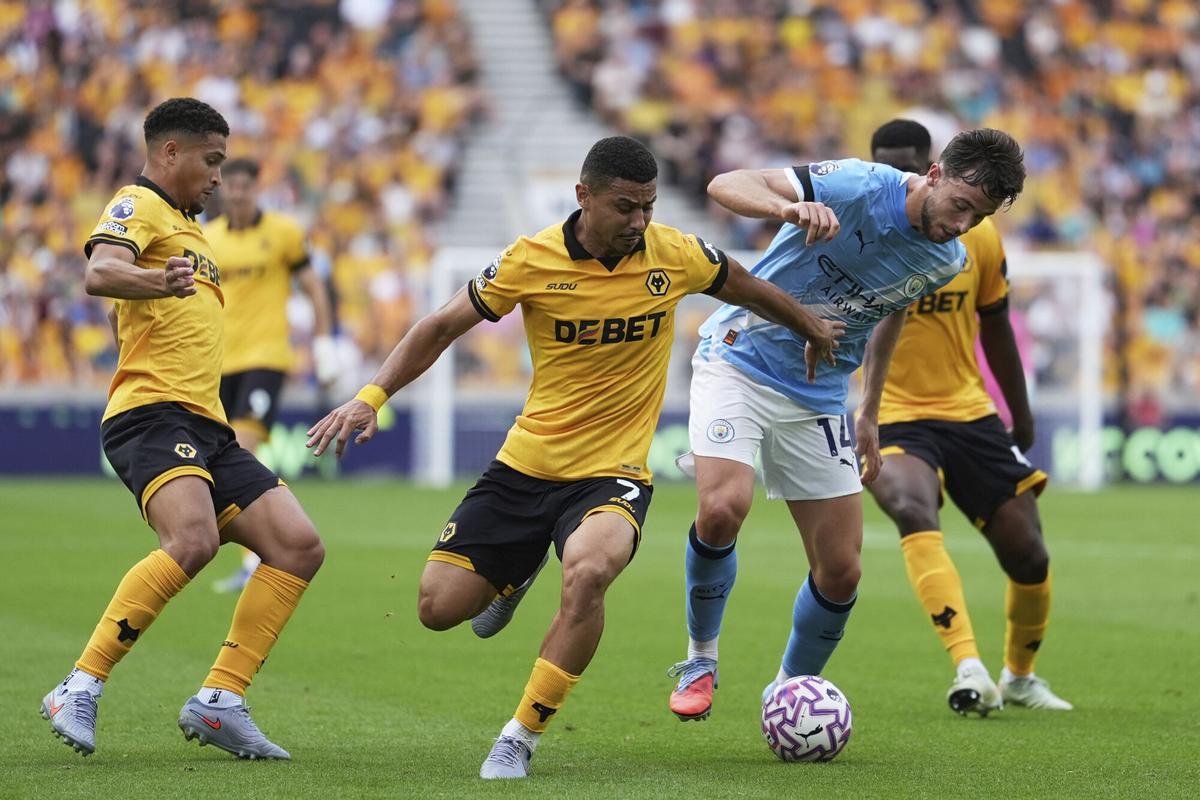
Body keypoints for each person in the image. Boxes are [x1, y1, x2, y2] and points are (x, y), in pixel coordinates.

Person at [306, 136, 844, 779]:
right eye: (625, 207)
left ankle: (521, 733)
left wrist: (808, 325)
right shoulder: (529, 260)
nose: (640, 221)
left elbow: (748, 288)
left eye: (647, 206)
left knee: (589, 572)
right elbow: (441, 326)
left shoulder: (675, 254)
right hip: (524, 466)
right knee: (437, 609)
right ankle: (515, 571)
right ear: (584, 196)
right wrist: (371, 397)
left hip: (612, 475)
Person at [665, 128, 1027, 724]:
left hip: (819, 393)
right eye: (961, 206)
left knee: (841, 569)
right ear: (934, 175)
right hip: (740, 359)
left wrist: (870, 406)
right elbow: (725, 184)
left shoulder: (948, 258)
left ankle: (789, 696)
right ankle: (700, 658)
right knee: (724, 508)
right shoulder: (860, 184)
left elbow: (891, 310)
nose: (963, 225)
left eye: (979, 217)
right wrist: (789, 206)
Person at [41, 98, 325, 760]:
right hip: (149, 412)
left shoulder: (192, 229)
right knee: (192, 540)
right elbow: (99, 270)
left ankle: (222, 699)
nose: (219, 178)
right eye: (212, 161)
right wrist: (155, 281)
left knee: (298, 545)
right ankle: (78, 685)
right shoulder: (138, 204)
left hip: (207, 423)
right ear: (170, 152)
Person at [864, 119, 1071, 715]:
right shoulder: (859, 230)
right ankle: (968, 666)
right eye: (883, 163)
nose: (894, 173)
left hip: (968, 410)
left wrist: (1020, 412)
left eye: (906, 161)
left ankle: (1022, 677)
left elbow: (997, 324)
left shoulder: (973, 233)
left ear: (934, 167)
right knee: (910, 506)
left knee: (1028, 552)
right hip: (894, 414)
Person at [206, 157, 336, 594]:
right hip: (220, 361)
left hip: (266, 357)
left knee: (244, 447)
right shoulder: (209, 238)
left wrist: (323, 344)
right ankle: (256, 548)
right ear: (224, 190)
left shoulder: (283, 233)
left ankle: (256, 556)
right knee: (225, 456)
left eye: (245, 186)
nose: (237, 193)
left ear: (255, 188)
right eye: (232, 187)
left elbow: (314, 287)